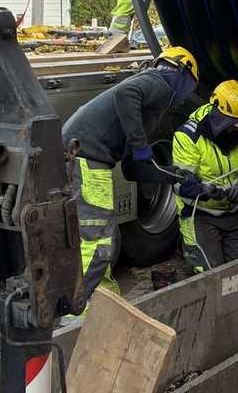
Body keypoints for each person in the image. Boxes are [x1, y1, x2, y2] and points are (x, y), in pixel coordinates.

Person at [62, 46, 198, 309]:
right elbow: (127, 93)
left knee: (100, 238)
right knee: (98, 243)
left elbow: (132, 169)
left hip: (86, 157)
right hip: (88, 159)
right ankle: (76, 311)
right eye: (190, 89)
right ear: (183, 73)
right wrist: (140, 144)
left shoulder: (148, 95)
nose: (184, 98)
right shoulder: (163, 80)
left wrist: (173, 177)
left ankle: (97, 296)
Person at [172, 80, 238, 273]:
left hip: (233, 213)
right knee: (211, 275)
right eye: (234, 124)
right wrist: (205, 190)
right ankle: (186, 247)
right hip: (200, 215)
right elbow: (181, 185)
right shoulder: (187, 136)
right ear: (219, 116)